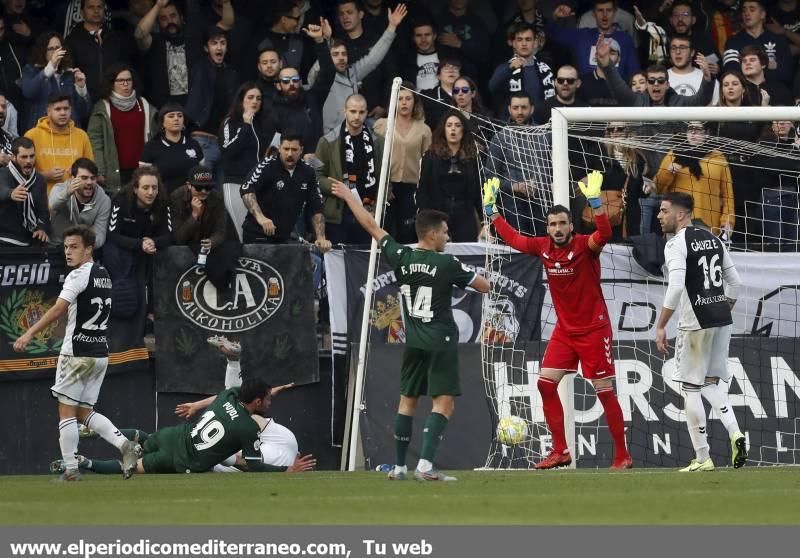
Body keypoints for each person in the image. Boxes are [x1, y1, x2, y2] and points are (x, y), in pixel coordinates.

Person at [328, 181, 491, 481]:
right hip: (440, 341)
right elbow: (484, 286)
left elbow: (372, 226)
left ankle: (400, 467)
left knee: (408, 402)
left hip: (413, 342)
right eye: (444, 231)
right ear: (431, 234)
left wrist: (350, 198)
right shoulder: (446, 263)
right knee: (444, 403)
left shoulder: (402, 257)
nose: (447, 236)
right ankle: (426, 466)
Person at [483, 171, 633, 469]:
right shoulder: (543, 247)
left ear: (571, 226)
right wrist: (493, 214)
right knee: (545, 385)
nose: (557, 228)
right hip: (566, 332)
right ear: (548, 228)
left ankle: (622, 455)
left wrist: (597, 206)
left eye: (562, 223)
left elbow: (603, 235)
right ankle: (560, 450)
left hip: (593, 330)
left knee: (603, 390)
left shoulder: (584, 246)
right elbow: (515, 239)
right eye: (552, 224)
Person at [13, 224, 141, 481]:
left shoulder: (78, 275)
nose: (68, 252)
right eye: (66, 247)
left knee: (66, 411)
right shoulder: (103, 273)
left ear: (88, 249)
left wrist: (29, 333)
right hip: (99, 354)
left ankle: (71, 468)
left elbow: (59, 308)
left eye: (74, 247)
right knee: (83, 413)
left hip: (76, 353)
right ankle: (125, 445)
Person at [655, 192, 747, 471]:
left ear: (680, 214)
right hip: (721, 319)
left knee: (690, 388)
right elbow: (736, 283)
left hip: (695, 323)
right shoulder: (713, 238)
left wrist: (660, 325)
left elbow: (676, 286)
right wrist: (722, 308)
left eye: (664, 210)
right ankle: (736, 433)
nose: (659, 216)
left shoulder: (676, 244)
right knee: (708, 383)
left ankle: (703, 456)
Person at [60, 378, 312, 474]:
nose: (270, 402)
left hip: (174, 435)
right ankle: (85, 463)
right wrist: (285, 471)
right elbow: (254, 465)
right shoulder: (249, 429)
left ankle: (93, 432)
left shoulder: (229, 396)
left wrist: (196, 405)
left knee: (144, 439)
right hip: (180, 460)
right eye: (267, 399)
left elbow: (236, 393)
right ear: (257, 401)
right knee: (132, 466)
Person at [240, 132, 330, 254]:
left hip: (284, 237)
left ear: (301, 150)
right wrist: (261, 218)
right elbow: (246, 189)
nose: (289, 154)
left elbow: (316, 206)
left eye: (294, 149)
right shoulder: (266, 165)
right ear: (279, 147)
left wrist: (321, 237)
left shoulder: (308, 172)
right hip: (258, 234)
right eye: (286, 149)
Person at [315, 94, 384, 245]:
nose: (357, 116)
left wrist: (377, 206)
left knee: (364, 263)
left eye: (361, 112)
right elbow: (316, 176)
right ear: (344, 111)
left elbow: (383, 177)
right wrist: (337, 189)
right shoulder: (326, 141)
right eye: (353, 111)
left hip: (367, 211)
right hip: (338, 213)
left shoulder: (378, 142)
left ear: (367, 113)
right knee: (336, 262)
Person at [653, 122, 735, 239]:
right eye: (690, 129)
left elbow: (728, 197)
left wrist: (728, 222)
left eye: (698, 129)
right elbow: (658, 189)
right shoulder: (674, 154)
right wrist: (668, 172)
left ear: (707, 133)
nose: (693, 133)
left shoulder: (718, 157)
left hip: (708, 225)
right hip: (677, 223)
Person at [373, 83, 431, 243]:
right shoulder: (381, 125)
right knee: (385, 231)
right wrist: (382, 186)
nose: (404, 103)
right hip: (386, 186)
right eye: (400, 99)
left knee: (407, 233)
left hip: (411, 189)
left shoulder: (424, 129)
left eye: (408, 98)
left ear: (415, 102)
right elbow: (374, 158)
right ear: (393, 102)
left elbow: (427, 164)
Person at [87, 64, 158, 194]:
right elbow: (95, 142)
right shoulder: (102, 108)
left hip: (142, 171)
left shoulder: (145, 105)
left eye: (129, 80)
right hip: (115, 172)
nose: (125, 84)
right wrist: (100, 171)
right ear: (112, 84)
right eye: (120, 81)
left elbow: (156, 138)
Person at [416, 110, 482, 242]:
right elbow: (423, 190)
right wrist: (426, 222)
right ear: (443, 129)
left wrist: (484, 221)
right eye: (449, 125)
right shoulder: (431, 156)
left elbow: (480, 192)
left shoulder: (473, 157)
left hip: (465, 216)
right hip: (438, 216)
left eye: (457, 125)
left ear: (463, 130)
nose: (453, 129)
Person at [171, 164, 240, 290]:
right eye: (198, 187)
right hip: (187, 245)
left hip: (207, 242)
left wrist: (212, 242)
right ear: (188, 185)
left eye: (208, 187)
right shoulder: (177, 198)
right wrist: (194, 215)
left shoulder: (216, 197)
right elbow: (178, 238)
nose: (203, 191)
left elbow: (221, 230)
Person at [220, 82, 268, 242]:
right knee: (241, 230)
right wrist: (245, 125)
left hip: (256, 185)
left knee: (257, 231)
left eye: (259, 98)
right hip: (236, 183)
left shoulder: (260, 124)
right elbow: (228, 150)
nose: (255, 101)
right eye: (250, 97)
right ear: (241, 100)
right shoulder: (231, 122)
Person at [19, 31, 90, 133]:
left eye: (58, 48)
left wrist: (82, 88)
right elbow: (29, 92)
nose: (55, 52)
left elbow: (84, 112)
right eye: (51, 49)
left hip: (69, 134)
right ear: (43, 51)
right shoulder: (31, 70)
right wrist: (50, 68)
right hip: (43, 134)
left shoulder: (70, 74)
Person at [24, 93, 94, 194]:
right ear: (48, 111)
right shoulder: (32, 135)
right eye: (58, 109)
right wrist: (45, 176)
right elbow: (22, 172)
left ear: (71, 110)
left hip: (75, 201)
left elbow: (91, 170)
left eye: (66, 109)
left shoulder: (82, 135)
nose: (63, 113)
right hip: (42, 201)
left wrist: (78, 172)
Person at [139, 103, 204, 193]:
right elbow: (143, 179)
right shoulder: (151, 147)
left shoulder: (194, 144)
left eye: (180, 116)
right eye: (171, 116)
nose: (176, 119)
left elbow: (202, 174)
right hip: (163, 199)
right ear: (162, 123)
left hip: (192, 199)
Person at [48, 157, 111, 248]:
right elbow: (52, 204)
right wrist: (68, 193)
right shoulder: (60, 189)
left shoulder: (104, 200)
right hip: (57, 245)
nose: (89, 182)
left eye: (93, 178)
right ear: (73, 178)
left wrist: (79, 245)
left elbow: (99, 237)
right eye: (84, 178)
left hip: (84, 249)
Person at [0, 137, 49, 246]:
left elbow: (43, 210)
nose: (28, 161)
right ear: (13, 157)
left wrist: (42, 228)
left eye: (32, 156)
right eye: (24, 157)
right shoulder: (3, 173)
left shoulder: (39, 179)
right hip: (5, 236)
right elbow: (2, 189)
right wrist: (11, 193)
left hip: (31, 236)